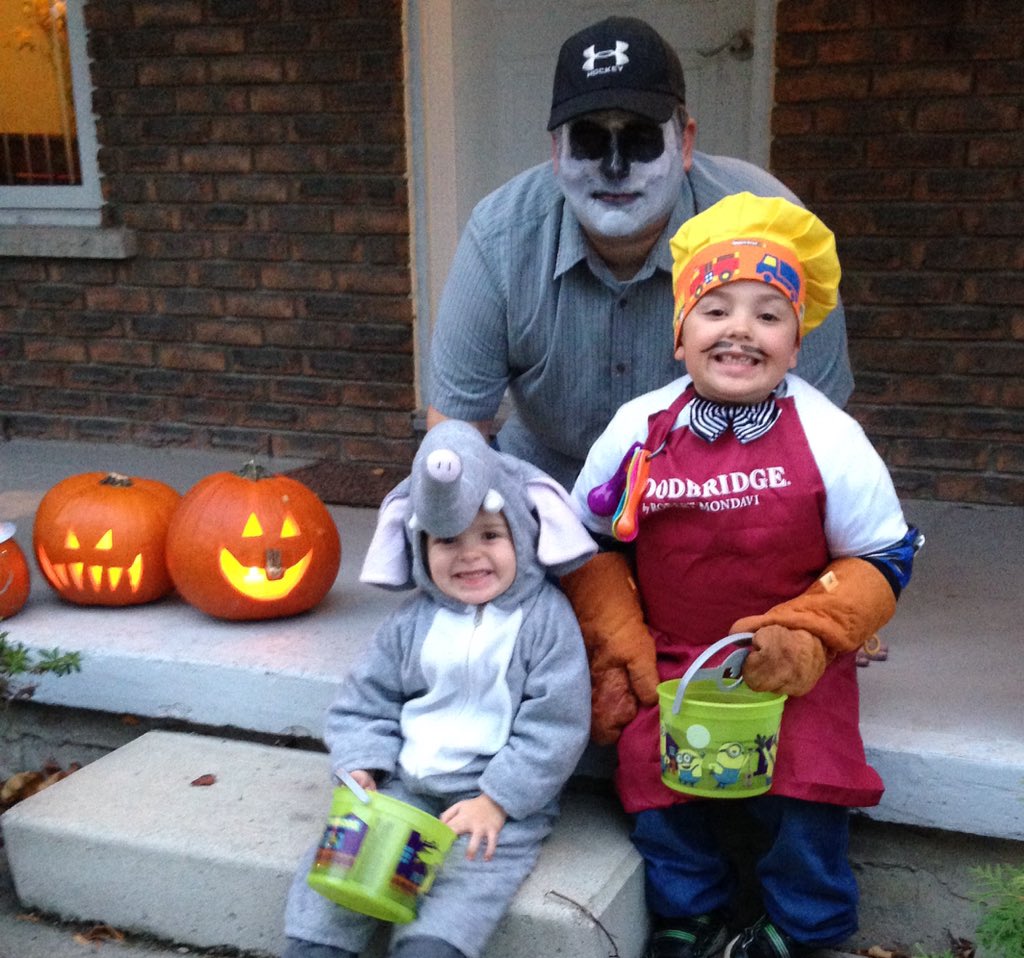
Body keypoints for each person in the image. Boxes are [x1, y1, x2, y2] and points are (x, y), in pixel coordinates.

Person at [566, 192, 922, 958]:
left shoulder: (832, 434)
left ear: (796, 344)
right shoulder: (638, 428)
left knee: (806, 772)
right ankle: (688, 911)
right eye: (716, 308)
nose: (740, 330)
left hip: (792, 660)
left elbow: (884, 555)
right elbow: (587, 539)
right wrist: (617, 635)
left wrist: (812, 631)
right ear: (681, 333)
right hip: (671, 652)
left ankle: (803, 924)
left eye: (768, 314)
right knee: (647, 761)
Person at [427, 15, 854, 494]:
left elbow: (818, 429)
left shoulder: (774, 234)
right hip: (546, 494)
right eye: (589, 139)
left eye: (640, 139)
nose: (613, 168)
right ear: (555, 151)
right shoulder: (501, 237)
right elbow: (455, 433)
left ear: (686, 143)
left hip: (720, 494)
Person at [282, 419, 597, 958]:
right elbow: (366, 701)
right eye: (448, 539)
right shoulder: (410, 623)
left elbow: (556, 726)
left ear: (524, 533)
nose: (470, 555)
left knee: (462, 893)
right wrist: (362, 763)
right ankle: (318, 948)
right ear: (418, 544)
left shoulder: (546, 621)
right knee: (338, 887)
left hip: (495, 801)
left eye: (491, 535)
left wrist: (498, 801)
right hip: (405, 785)